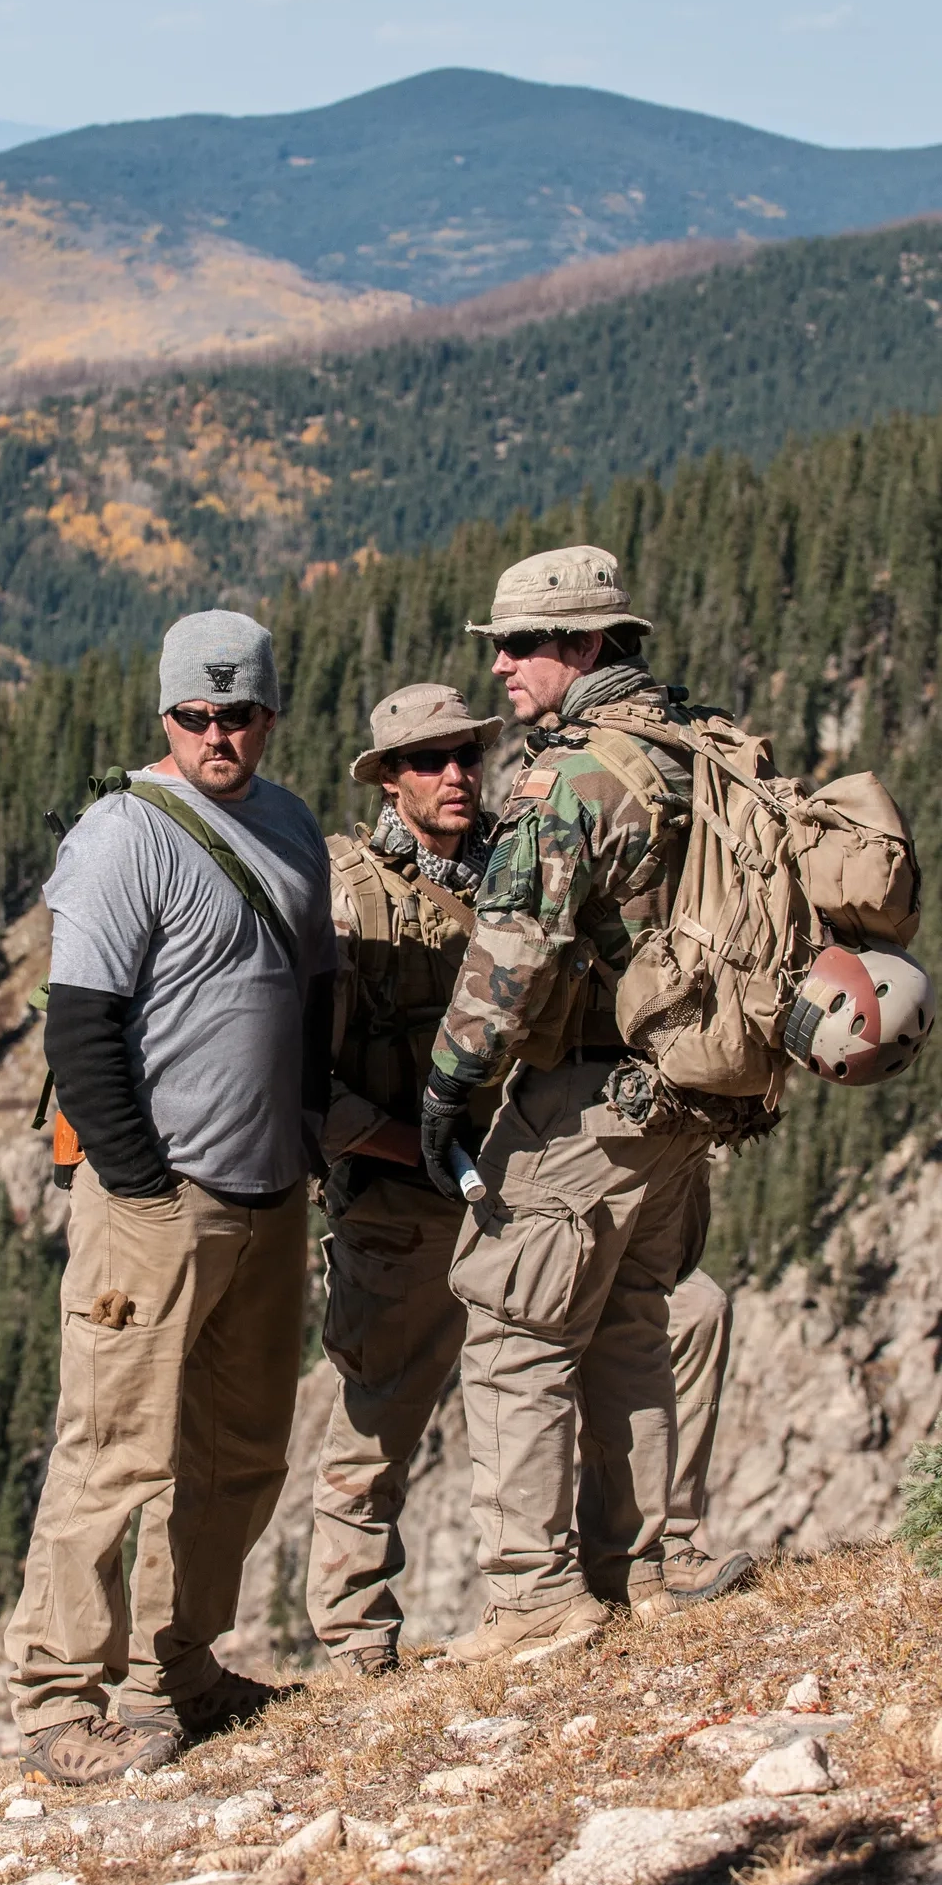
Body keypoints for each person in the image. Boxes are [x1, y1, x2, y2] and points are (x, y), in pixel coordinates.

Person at [5, 609, 337, 1784]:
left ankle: (176, 1674)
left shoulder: (294, 825)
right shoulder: (120, 837)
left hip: (268, 1189)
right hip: (157, 1196)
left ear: (268, 714)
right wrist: (137, 1181)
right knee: (113, 1449)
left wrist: (306, 1132)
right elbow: (82, 1025)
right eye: (195, 715)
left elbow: (315, 993)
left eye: (238, 714)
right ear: (164, 715)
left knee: (238, 1450)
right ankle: (57, 1701)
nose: (217, 735)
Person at [420, 545, 752, 1665]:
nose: (502, 666)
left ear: (587, 644)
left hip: (584, 1100)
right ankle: (645, 1563)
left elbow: (512, 955)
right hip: (680, 1095)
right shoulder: (693, 747)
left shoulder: (571, 778)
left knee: (516, 1326)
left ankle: (532, 1599)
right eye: (500, 644)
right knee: (635, 1317)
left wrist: (449, 1085)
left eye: (521, 645)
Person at [306, 683, 504, 1680]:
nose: (455, 773)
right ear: (388, 777)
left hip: (516, 1194)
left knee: (535, 1401)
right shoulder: (344, 896)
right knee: (373, 1429)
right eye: (428, 759)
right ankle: (353, 1649)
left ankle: (559, 1597)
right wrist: (398, 1145)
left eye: (466, 753)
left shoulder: (519, 869)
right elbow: (305, 1083)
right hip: (396, 1204)